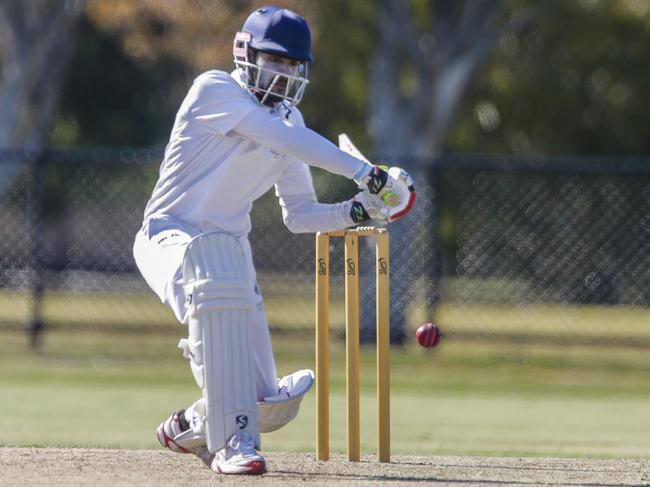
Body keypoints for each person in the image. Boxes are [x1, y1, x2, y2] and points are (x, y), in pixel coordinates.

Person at [133, 5, 415, 476]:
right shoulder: (214, 90)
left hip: (231, 253)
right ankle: (232, 445)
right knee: (214, 282)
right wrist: (369, 174)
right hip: (171, 235)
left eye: (291, 64)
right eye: (273, 60)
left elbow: (300, 215)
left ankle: (191, 425)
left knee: (268, 401)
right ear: (246, 53)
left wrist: (359, 209)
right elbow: (277, 136)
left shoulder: (292, 124)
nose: (283, 72)